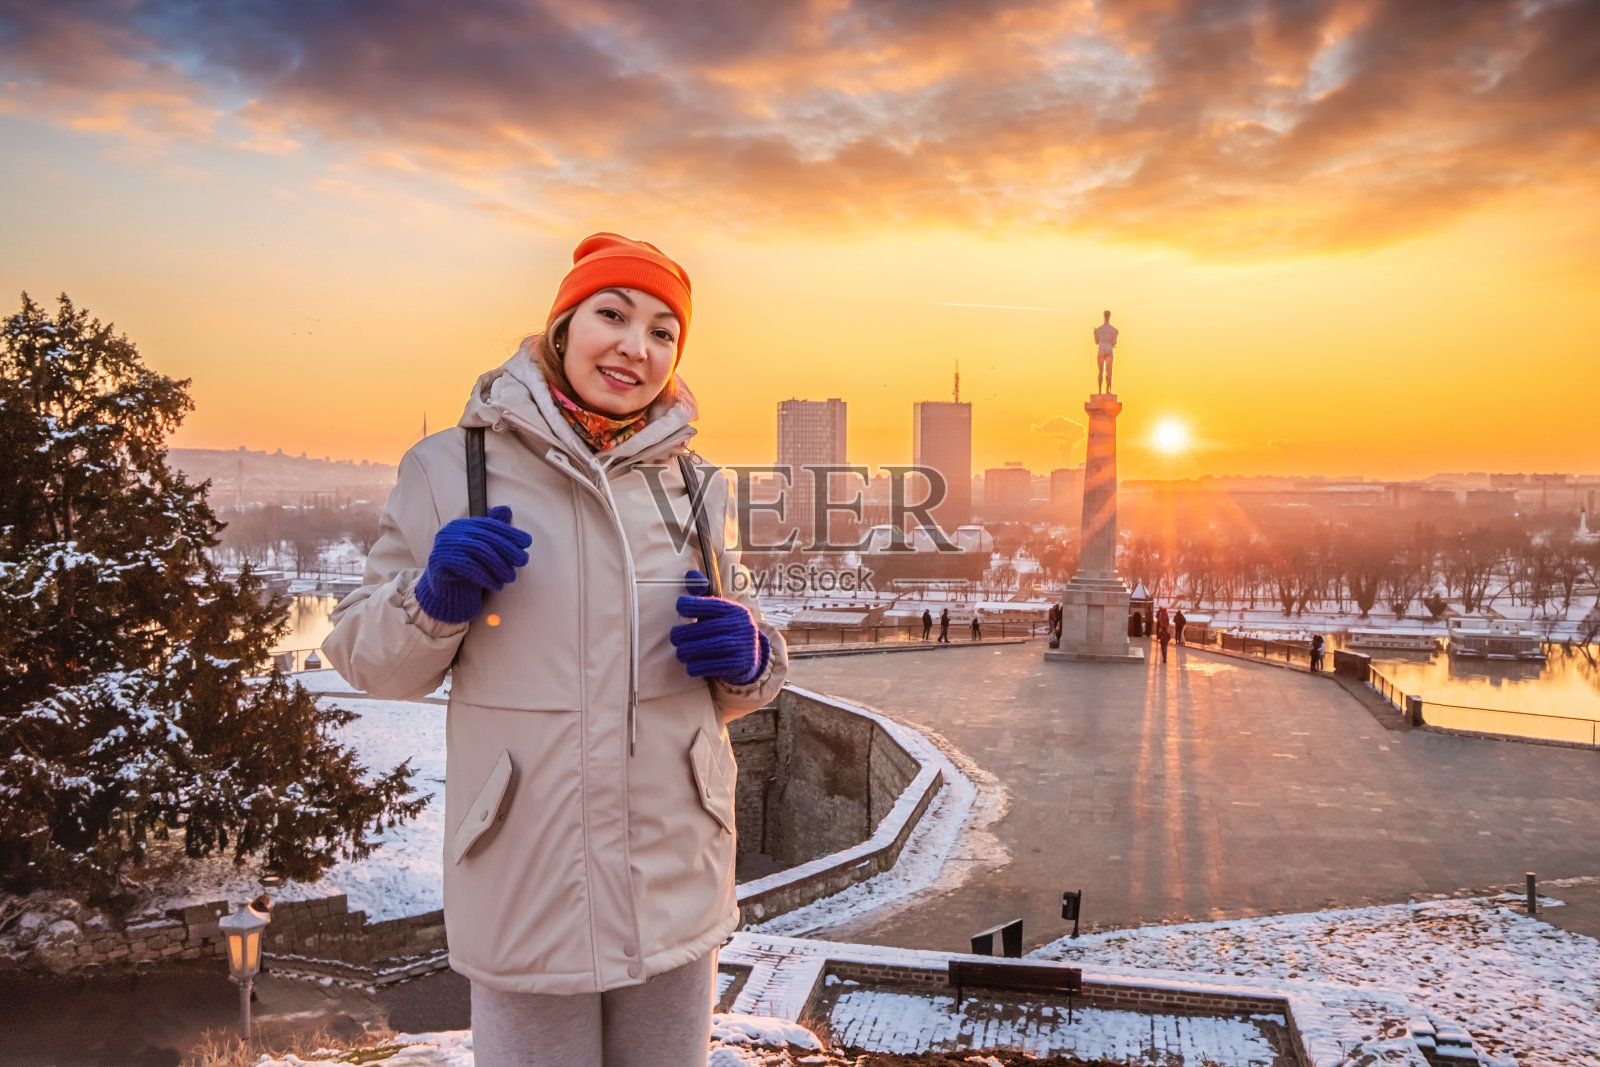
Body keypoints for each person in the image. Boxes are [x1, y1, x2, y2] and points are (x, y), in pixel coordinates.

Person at [323, 233, 787, 1067]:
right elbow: (366, 660)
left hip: (673, 871)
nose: (634, 347)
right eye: (613, 314)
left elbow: (740, 668)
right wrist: (431, 602)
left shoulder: (695, 485)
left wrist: (750, 657)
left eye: (661, 331)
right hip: (527, 875)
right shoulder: (448, 470)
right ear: (564, 325)